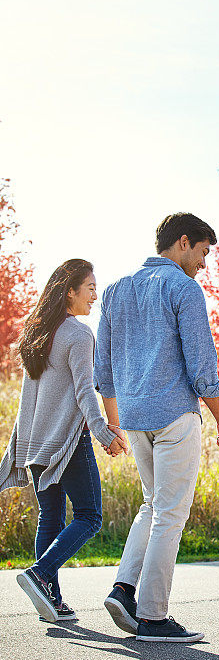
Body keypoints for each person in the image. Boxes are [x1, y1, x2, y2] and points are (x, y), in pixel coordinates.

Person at [95, 212, 219, 643]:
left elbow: (103, 372)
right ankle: (153, 617)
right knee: (170, 513)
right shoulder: (183, 289)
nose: (203, 264)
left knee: (152, 506)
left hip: (136, 420)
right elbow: (202, 369)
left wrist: (115, 423)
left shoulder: (116, 291)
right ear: (182, 243)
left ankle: (123, 589)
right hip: (175, 416)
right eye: (203, 252)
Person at [0, 259, 128, 623]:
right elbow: (85, 391)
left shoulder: (37, 332)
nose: (95, 295)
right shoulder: (77, 334)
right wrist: (104, 431)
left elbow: (31, 399)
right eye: (89, 287)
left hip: (34, 444)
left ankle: (50, 599)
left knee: (51, 518)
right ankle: (40, 575)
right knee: (90, 516)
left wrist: (20, 447)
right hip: (65, 444)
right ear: (70, 290)